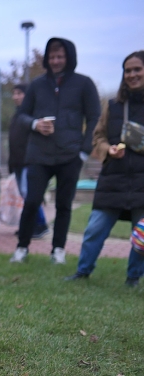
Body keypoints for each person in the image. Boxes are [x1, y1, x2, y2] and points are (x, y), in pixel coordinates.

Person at [10, 37, 101, 264]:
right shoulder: (37, 85)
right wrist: (35, 124)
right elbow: (21, 115)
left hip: (70, 154)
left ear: (69, 58)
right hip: (39, 154)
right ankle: (22, 247)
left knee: (64, 204)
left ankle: (58, 250)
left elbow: (94, 118)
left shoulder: (84, 84)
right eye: (52, 57)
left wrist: (83, 151)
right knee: (32, 201)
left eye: (60, 56)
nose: (56, 61)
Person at [65, 51, 144, 286]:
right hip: (113, 179)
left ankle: (133, 278)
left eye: (137, 69)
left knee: (142, 237)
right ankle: (83, 271)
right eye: (128, 70)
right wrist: (107, 149)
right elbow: (97, 137)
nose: (132, 75)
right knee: (94, 229)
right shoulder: (113, 106)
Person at [9, 83, 49, 240]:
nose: (16, 97)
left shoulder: (32, 114)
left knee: (30, 195)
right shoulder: (17, 115)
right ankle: (29, 225)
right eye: (14, 94)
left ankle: (40, 225)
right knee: (24, 195)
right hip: (17, 162)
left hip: (29, 162)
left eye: (20, 93)